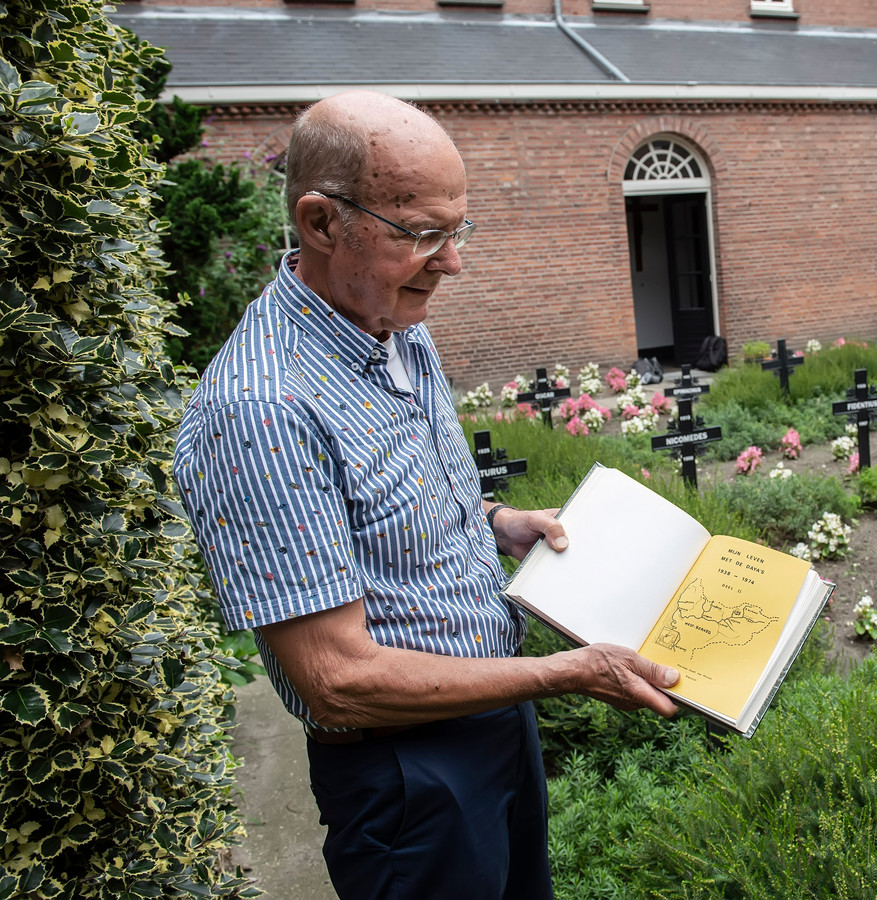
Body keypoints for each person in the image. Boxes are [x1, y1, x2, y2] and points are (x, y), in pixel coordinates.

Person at [173, 89, 681, 900]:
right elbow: (336, 679)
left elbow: (375, 507)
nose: (452, 262)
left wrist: (492, 523)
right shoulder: (261, 409)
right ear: (320, 222)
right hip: (408, 776)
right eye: (423, 235)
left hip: (490, 723)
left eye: (458, 229)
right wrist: (565, 672)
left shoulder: (393, 322)